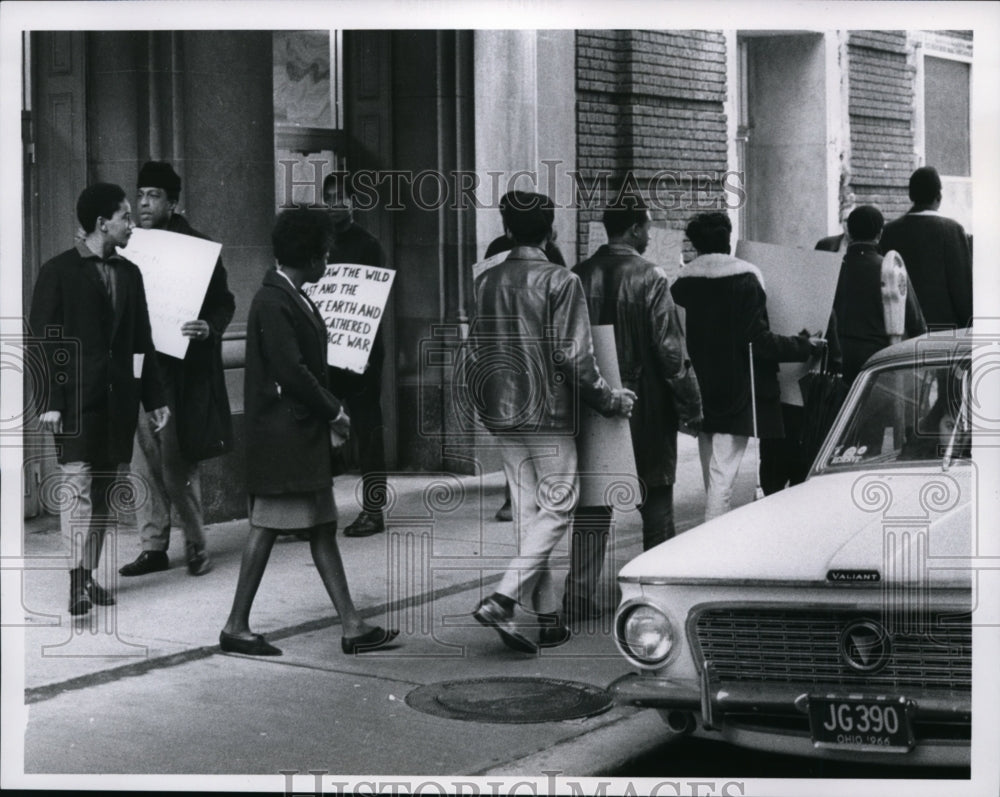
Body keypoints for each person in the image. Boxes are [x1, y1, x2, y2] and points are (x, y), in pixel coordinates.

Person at [220, 209, 397, 656]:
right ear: (310, 255)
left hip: (295, 436)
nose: (329, 256)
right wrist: (334, 410)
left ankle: (351, 625)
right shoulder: (274, 300)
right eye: (323, 250)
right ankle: (237, 625)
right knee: (268, 526)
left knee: (319, 527)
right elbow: (293, 371)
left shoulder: (287, 295)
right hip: (288, 438)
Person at [467, 192, 636, 652]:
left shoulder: (485, 281)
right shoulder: (561, 280)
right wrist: (611, 400)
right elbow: (576, 357)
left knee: (529, 510)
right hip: (548, 411)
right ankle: (504, 598)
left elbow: (474, 348)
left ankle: (544, 617)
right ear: (551, 229)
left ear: (507, 229)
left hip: (501, 409)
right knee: (559, 503)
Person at [29, 183, 169, 615]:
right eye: (125, 217)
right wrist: (50, 399)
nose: (132, 224)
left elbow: (142, 342)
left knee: (107, 494)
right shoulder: (58, 271)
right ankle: (76, 582)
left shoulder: (130, 274)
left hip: (119, 402)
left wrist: (153, 397)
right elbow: (42, 341)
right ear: (100, 223)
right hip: (73, 402)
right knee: (78, 489)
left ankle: (86, 577)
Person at [565, 198, 696, 621]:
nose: (649, 234)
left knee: (594, 501)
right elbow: (670, 351)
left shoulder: (577, 275)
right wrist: (690, 402)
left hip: (591, 401)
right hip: (646, 403)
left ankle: (580, 594)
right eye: (647, 227)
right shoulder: (651, 276)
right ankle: (656, 593)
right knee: (655, 497)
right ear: (636, 229)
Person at [119, 161, 235, 578]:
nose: (144, 203)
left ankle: (196, 543)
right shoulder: (126, 245)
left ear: (173, 202)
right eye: (141, 194)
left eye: (154, 195)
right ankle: (153, 546)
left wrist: (211, 327)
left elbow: (225, 301)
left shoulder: (198, 249)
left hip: (180, 370)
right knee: (142, 457)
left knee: (178, 457)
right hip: (140, 366)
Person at [671, 211, 823, 522]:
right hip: (737, 387)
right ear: (727, 240)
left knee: (711, 472)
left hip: (697, 385)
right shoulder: (745, 280)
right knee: (723, 476)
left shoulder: (681, 285)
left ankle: (709, 539)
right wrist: (803, 345)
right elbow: (759, 341)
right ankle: (714, 543)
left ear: (697, 245)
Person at [484, 190, 567, 522]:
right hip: (540, 370)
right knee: (557, 495)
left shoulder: (494, 256)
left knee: (520, 477)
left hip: (503, 364)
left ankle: (513, 503)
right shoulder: (555, 262)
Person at [322, 173, 393, 538]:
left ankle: (374, 509)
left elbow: (375, 303)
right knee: (318, 428)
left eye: (343, 198)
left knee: (368, 431)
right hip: (326, 354)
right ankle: (316, 512)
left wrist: (363, 346)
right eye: (331, 198)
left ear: (354, 202)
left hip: (362, 353)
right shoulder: (317, 244)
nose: (338, 204)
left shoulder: (369, 245)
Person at [832, 205, 926, 386]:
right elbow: (916, 323)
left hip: (837, 363)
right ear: (879, 234)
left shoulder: (833, 268)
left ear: (849, 233)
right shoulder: (891, 269)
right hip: (877, 363)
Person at [878, 166, 972, 330]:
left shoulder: (890, 231)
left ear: (911, 195)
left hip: (900, 329)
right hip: (943, 331)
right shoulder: (952, 230)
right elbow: (962, 288)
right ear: (939, 196)